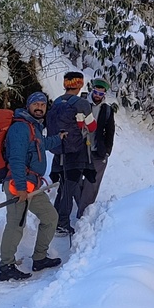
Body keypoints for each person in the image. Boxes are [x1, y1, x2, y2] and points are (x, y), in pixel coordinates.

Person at [0, 92, 62, 282]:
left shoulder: (33, 127)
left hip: (32, 185)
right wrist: (20, 188)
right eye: (36, 104)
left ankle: (39, 258)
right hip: (18, 185)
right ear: (28, 106)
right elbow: (16, 159)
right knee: (16, 224)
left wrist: (60, 137)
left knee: (50, 217)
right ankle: (6, 266)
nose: (40, 107)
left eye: (43, 104)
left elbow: (43, 144)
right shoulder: (20, 128)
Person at [46, 71, 96, 234]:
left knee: (63, 188)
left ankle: (54, 220)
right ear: (79, 84)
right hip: (76, 152)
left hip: (59, 152)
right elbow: (92, 127)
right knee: (69, 188)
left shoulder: (56, 103)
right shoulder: (81, 103)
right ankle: (62, 223)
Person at [77, 78, 115, 217]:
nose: (98, 96)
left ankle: (83, 215)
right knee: (74, 180)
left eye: (101, 93)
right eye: (96, 92)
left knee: (92, 184)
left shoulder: (107, 110)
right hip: (79, 150)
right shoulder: (81, 103)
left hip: (97, 152)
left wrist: (107, 151)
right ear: (92, 90)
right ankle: (77, 203)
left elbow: (110, 132)